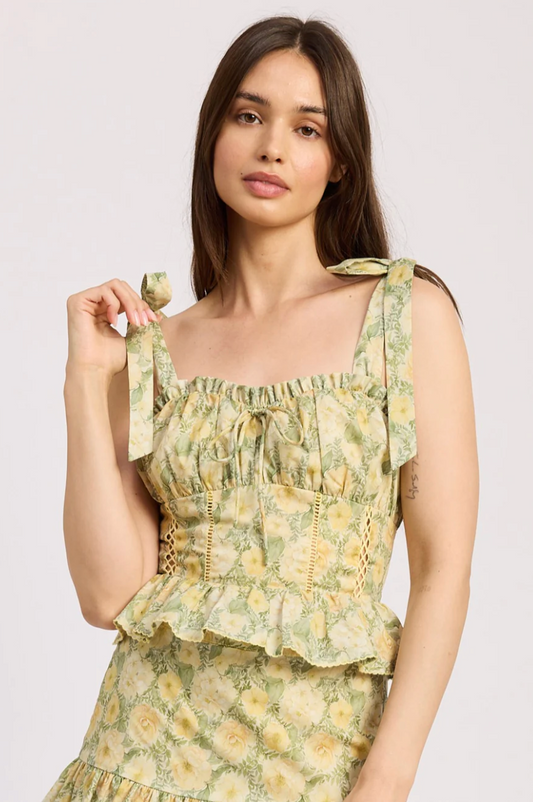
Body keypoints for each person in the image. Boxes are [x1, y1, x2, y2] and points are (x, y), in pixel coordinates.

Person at [43, 14, 478, 802]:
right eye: (248, 116)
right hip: (135, 759)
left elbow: (441, 571)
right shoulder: (155, 348)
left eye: (305, 127)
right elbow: (109, 597)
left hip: (319, 768)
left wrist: (386, 778)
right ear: (215, 134)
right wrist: (87, 380)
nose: (272, 146)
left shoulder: (404, 313)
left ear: (338, 160)